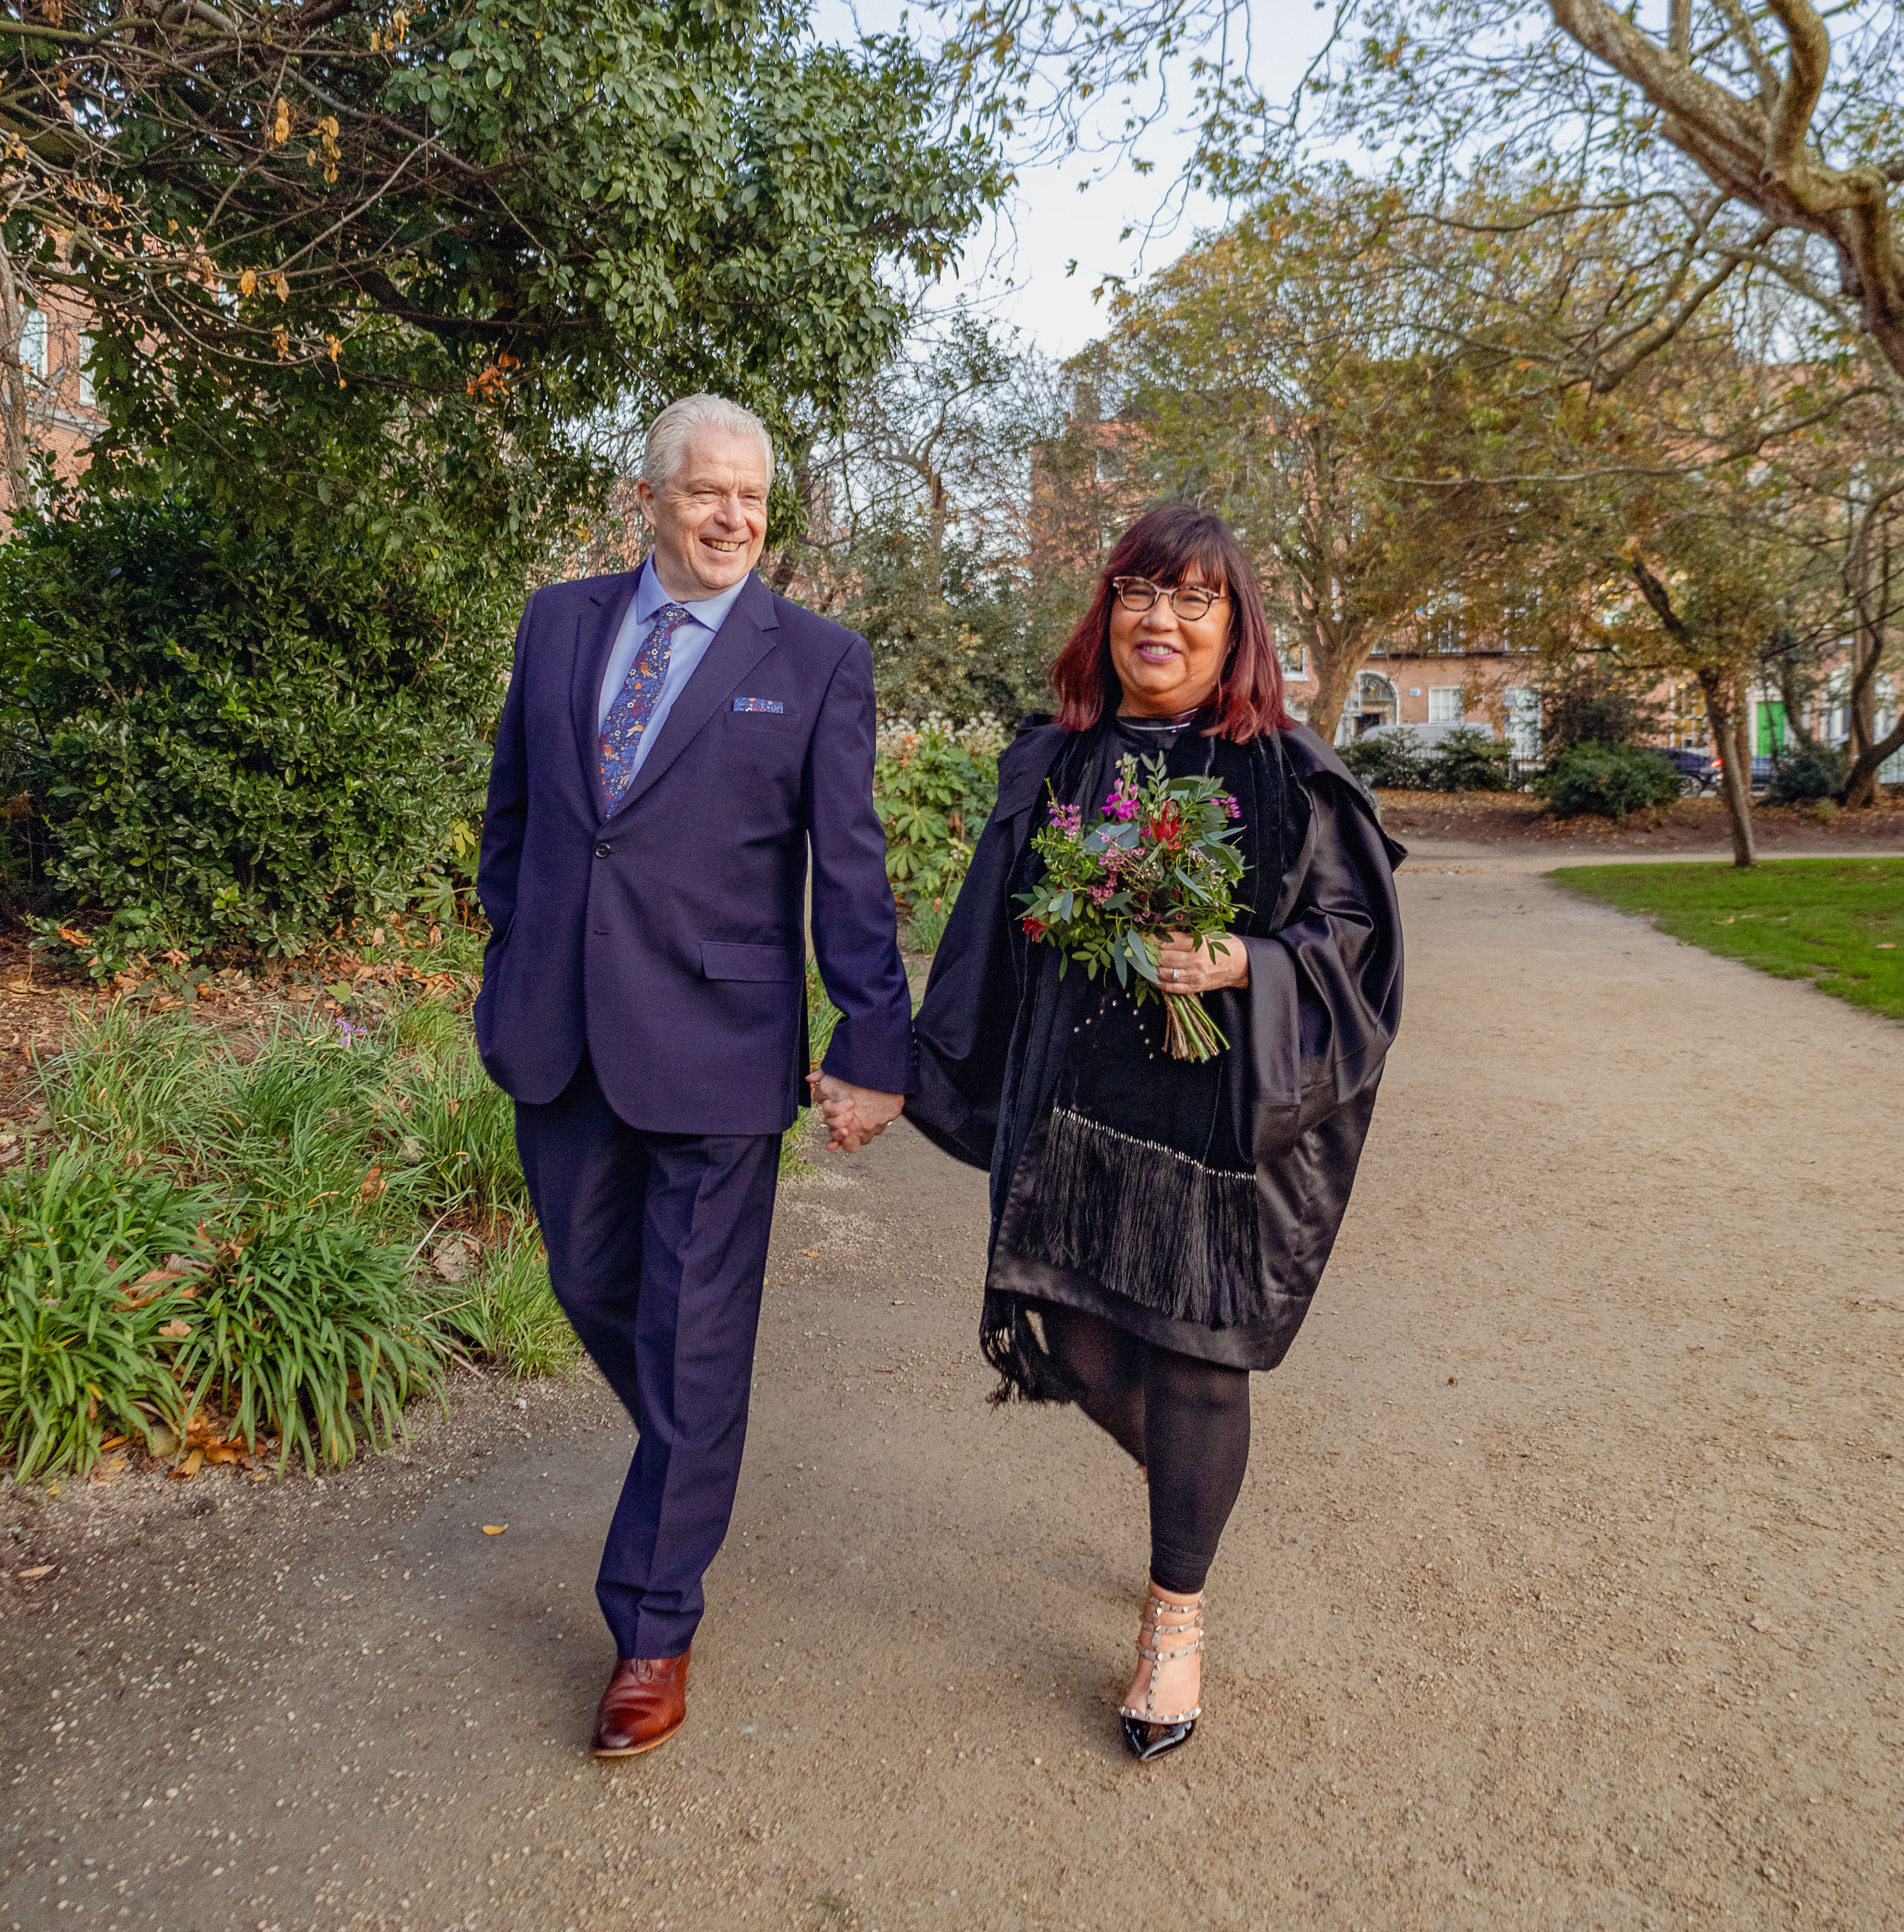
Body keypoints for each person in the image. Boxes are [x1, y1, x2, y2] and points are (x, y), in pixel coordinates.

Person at [907, 504, 1404, 1759]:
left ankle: (1174, 1616)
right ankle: (1191, 1479)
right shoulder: (1061, 762)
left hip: (1214, 1130)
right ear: (1107, 613)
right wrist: (894, 1066)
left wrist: (1243, 962)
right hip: (1077, 1115)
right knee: (1075, 1336)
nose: (1162, 621)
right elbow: (988, 934)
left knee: (1194, 1363)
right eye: (1139, 593)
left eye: (1194, 599)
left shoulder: (1286, 772)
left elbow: (1354, 943)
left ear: (1235, 628)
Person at [473, 392, 910, 1760]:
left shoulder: (818, 661)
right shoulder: (559, 625)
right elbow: (515, 815)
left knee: (699, 1335)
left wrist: (873, 1040)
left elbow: (850, 867)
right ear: (648, 500)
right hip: (560, 1033)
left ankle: (652, 1626)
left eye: (754, 499)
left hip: (720, 1047)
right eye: (708, 492)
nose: (734, 519)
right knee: (591, 1288)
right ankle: (692, 1441)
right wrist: (510, 949)